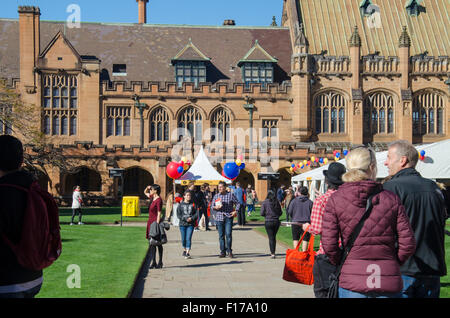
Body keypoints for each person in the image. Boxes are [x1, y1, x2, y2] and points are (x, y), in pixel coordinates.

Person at [322, 147, 416, 298]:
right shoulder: (391, 198)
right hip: (386, 278)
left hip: (352, 281)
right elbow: (408, 243)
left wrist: (342, 262)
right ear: (372, 168)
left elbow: (329, 244)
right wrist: (393, 263)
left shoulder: (335, 199)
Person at [383, 140, 447, 298]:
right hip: (431, 267)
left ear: (402, 160)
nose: (386, 162)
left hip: (404, 269)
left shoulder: (391, 188)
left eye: (389, 157)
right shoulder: (434, 188)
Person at [0, 135, 43, 298]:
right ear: (22, 159)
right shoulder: (34, 190)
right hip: (33, 276)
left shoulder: (3, 192)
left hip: (7, 282)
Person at [301, 162, 346, 298]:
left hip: (327, 252)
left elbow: (318, 228)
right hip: (347, 252)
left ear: (327, 181)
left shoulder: (321, 200)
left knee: (323, 291)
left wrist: (307, 227)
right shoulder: (349, 198)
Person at [210, 181, 241, 258]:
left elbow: (238, 203)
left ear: (225, 187)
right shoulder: (216, 196)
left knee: (228, 234)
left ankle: (229, 251)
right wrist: (215, 207)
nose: (219, 188)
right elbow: (211, 206)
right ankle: (222, 252)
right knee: (221, 236)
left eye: (221, 187)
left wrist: (235, 211)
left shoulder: (230, 195)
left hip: (228, 217)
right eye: (219, 187)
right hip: (219, 217)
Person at [144, 184, 164, 269]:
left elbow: (159, 213)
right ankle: (153, 262)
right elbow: (145, 192)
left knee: (158, 243)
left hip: (155, 223)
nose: (150, 191)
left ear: (155, 190)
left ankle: (160, 262)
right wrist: (147, 187)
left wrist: (157, 224)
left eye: (151, 189)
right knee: (151, 243)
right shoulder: (152, 198)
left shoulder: (159, 200)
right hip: (150, 222)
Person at [287, 186, 312, 252]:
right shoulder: (310, 202)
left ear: (299, 192)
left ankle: (296, 252)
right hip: (306, 222)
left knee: (295, 238)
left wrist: (293, 217)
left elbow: (289, 211)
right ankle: (304, 252)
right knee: (305, 239)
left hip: (296, 221)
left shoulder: (294, 201)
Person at [260, 190, 283, 259]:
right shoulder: (276, 202)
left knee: (271, 237)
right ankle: (273, 252)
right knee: (273, 237)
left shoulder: (265, 202)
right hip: (276, 221)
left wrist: (266, 215)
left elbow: (262, 213)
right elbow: (280, 212)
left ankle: (272, 253)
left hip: (268, 221)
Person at [177, 191, 198, 259]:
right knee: (183, 239)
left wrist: (191, 218)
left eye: (190, 195)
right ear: (184, 196)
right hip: (182, 224)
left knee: (188, 238)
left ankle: (187, 252)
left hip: (190, 224)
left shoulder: (193, 204)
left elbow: (196, 214)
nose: (189, 196)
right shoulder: (180, 205)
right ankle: (184, 249)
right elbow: (178, 215)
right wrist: (185, 219)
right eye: (187, 195)